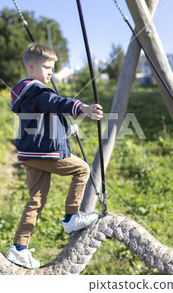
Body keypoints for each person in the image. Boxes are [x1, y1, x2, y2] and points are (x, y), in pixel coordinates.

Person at [6, 43, 103, 269]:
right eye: (47, 67)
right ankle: (71, 217)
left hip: (31, 153)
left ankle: (19, 248)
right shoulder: (36, 90)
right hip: (43, 153)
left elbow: (42, 121)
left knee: (36, 201)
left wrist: (67, 130)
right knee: (82, 169)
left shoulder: (26, 93)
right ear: (31, 66)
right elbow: (55, 103)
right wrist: (83, 108)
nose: (51, 72)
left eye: (52, 68)